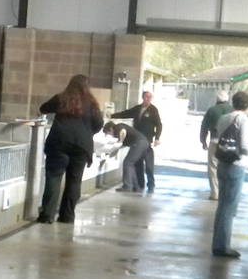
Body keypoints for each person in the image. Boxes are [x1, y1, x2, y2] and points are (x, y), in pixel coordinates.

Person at [36, 74, 104, 224]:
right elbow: (99, 123)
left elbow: (43, 108)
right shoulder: (92, 103)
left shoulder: (61, 98)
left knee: (53, 178)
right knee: (74, 181)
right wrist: (86, 132)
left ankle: (47, 215)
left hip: (59, 142)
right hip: (81, 146)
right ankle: (67, 216)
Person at [211, 91, 248, 259]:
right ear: (247, 105)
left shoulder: (223, 118)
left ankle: (217, 243)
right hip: (236, 165)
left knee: (222, 205)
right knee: (230, 207)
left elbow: (217, 137)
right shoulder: (243, 119)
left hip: (222, 162)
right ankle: (223, 246)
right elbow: (243, 145)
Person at [112, 91, 162, 192]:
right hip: (137, 139)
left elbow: (159, 124)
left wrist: (157, 137)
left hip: (147, 140)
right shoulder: (138, 108)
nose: (148, 99)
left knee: (148, 165)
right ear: (143, 97)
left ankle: (151, 184)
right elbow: (126, 113)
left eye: (150, 97)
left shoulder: (153, 110)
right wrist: (112, 115)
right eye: (146, 97)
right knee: (137, 163)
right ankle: (139, 184)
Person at [199, 90, 232, 197]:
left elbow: (204, 127)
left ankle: (215, 193)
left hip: (215, 140)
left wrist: (203, 141)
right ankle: (226, 192)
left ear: (217, 99)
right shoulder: (233, 110)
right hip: (230, 143)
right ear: (227, 99)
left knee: (213, 167)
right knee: (227, 166)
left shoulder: (212, 110)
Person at [106, 121, 152, 193]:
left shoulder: (117, 127)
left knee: (127, 163)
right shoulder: (119, 129)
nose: (111, 135)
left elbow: (123, 132)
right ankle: (135, 187)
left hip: (139, 143)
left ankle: (127, 186)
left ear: (110, 129)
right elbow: (121, 144)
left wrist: (120, 141)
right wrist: (113, 152)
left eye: (109, 133)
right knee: (130, 164)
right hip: (143, 143)